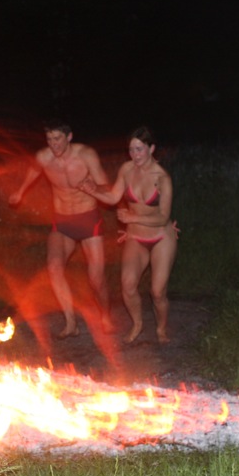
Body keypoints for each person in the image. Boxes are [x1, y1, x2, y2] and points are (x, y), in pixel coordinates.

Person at [9, 120, 113, 338]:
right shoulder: (43, 157)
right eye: (49, 139)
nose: (53, 144)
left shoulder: (86, 155)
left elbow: (106, 186)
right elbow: (33, 170)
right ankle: (70, 322)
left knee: (96, 279)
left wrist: (93, 187)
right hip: (63, 220)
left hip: (88, 218)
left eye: (57, 138)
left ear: (69, 137)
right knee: (54, 267)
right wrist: (20, 191)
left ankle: (105, 314)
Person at [80, 126, 177, 345]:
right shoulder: (126, 169)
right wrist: (92, 191)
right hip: (136, 237)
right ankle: (137, 324)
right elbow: (114, 197)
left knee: (157, 292)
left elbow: (163, 217)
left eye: (139, 149)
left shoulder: (162, 178)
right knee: (128, 285)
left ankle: (161, 329)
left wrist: (133, 217)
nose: (135, 154)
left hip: (162, 237)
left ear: (151, 148)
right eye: (131, 150)